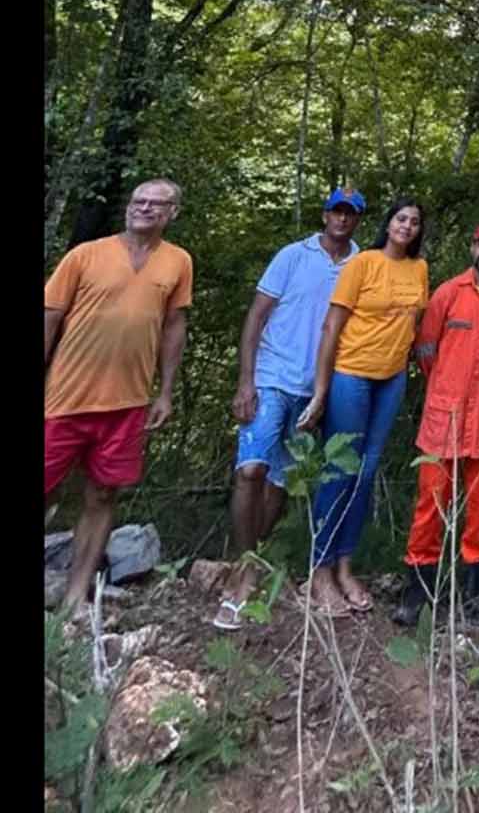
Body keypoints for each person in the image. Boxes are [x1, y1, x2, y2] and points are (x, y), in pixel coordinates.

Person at [211, 187, 364, 629]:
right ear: (324, 214)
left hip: (318, 387)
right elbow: (257, 315)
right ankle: (244, 569)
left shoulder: (360, 265)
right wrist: (246, 379)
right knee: (251, 469)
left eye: (350, 213)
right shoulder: (292, 256)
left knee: (282, 480)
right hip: (273, 378)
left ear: (357, 220)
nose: (342, 219)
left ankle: (256, 559)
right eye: (336, 210)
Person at [44, 177, 194, 626]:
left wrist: (164, 392)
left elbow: (174, 326)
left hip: (127, 403)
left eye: (156, 203)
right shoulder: (85, 255)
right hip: (65, 398)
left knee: (103, 494)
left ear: (172, 214)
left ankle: (76, 595)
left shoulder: (178, 262)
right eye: (138, 200)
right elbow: (50, 316)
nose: (144, 208)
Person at [297, 198, 430, 614]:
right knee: (341, 467)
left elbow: (415, 326)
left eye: (414, 222)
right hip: (351, 374)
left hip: (391, 379)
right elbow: (332, 324)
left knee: (367, 471)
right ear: (388, 224)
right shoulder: (363, 263)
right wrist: (321, 390)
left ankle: (345, 566)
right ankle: (318, 570)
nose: (407, 226)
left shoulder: (419, 270)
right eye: (401, 219)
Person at [393, 221, 479, 629]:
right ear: (472, 247)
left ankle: (476, 595)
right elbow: (427, 349)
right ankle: (418, 591)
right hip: (443, 420)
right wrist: (448, 386)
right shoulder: (448, 293)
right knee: (430, 506)